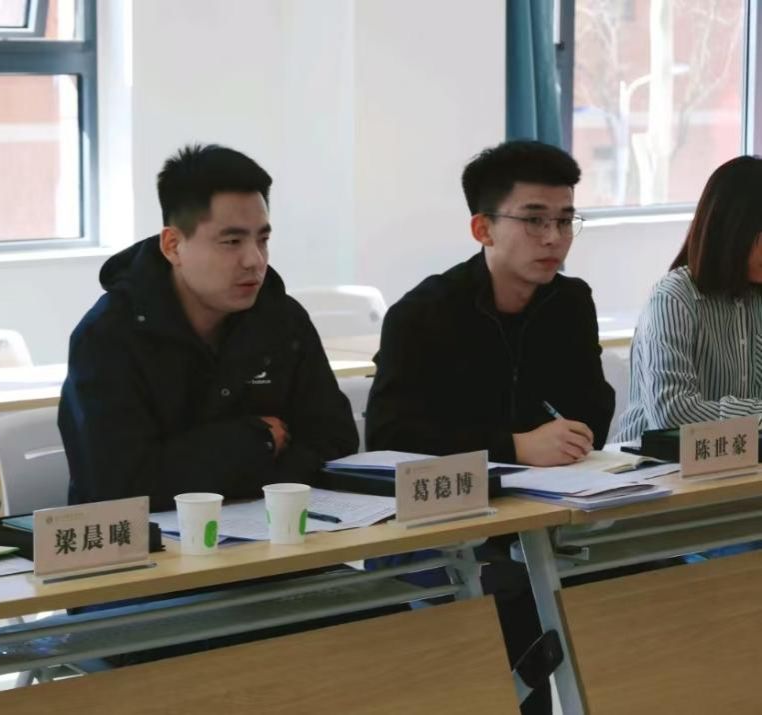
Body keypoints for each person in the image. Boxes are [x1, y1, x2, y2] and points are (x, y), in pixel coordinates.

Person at [365, 140, 615, 715]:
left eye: (566, 221)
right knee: (517, 601)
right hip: (443, 531)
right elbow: (390, 437)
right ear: (483, 228)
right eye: (534, 220)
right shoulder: (423, 313)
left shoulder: (571, 302)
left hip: (546, 517)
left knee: (643, 576)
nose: (554, 238)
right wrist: (514, 447)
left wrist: (571, 435)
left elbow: (593, 408)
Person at [60, 144, 358, 510]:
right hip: (152, 542)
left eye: (262, 239)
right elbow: (122, 485)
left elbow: (335, 441)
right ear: (173, 246)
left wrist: (216, 470)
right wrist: (258, 441)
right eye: (232, 242)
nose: (254, 260)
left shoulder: (282, 319)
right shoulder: (108, 337)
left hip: (277, 532)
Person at [617, 155, 762, 441]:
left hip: (737, 460)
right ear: (733, 230)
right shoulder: (674, 298)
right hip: (652, 464)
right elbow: (671, 413)